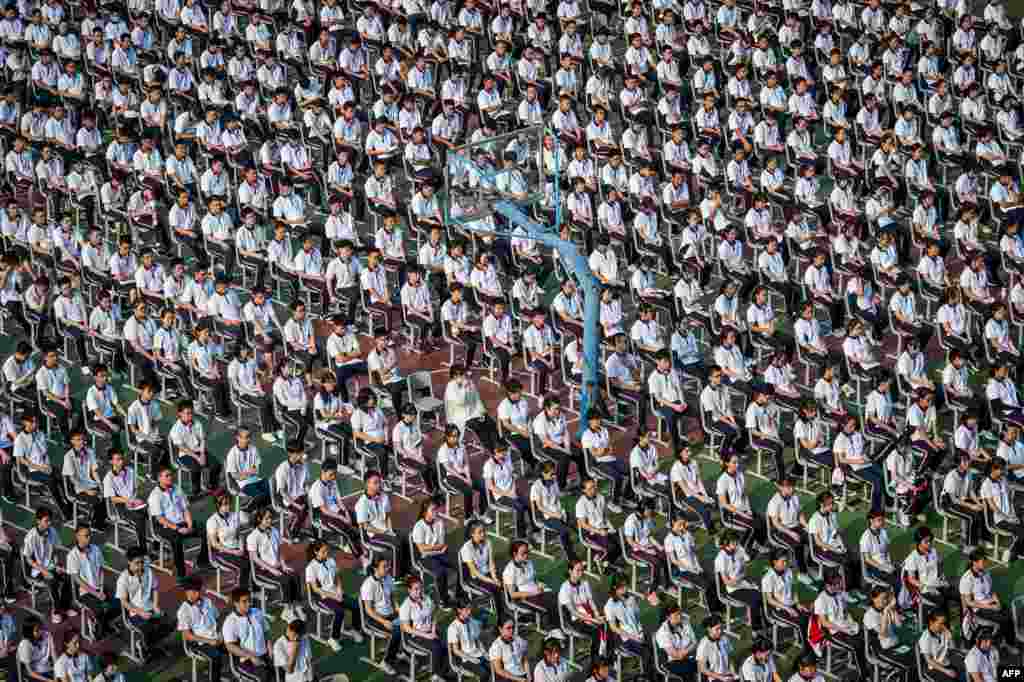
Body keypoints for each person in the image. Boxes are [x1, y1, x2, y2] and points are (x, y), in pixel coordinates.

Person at [147, 467, 210, 581]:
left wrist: (189, 525)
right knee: (176, 540)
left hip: (182, 522)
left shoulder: (177, 489)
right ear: (159, 478)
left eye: (170, 475)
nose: (170, 477)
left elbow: (185, 509)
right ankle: (181, 573)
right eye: (166, 476)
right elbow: (160, 519)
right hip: (166, 526)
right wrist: (177, 528)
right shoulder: (155, 496)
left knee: (206, 530)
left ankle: (203, 560)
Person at [247, 507, 305, 623]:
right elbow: (254, 558)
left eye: (270, 518)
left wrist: (283, 565)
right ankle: (286, 611)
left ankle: (296, 606)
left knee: (295, 574)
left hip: (276, 566)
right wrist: (271, 570)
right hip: (262, 571)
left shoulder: (274, 531)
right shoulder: (253, 536)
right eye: (267, 518)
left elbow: (279, 550)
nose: (270, 520)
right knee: (285, 580)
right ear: (259, 519)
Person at [305, 539, 363, 652]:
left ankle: (355, 630)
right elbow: (315, 589)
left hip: (336, 592)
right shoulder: (311, 568)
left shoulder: (331, 560)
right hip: (323, 597)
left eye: (327, 551)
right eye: (323, 552)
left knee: (356, 605)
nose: (326, 553)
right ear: (316, 552)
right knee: (339, 611)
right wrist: (333, 596)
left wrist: (340, 589)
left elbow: (337, 576)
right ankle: (333, 638)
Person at [116, 546, 173, 660]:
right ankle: (145, 645)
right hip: (134, 613)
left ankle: (147, 644)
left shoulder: (148, 570)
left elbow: (155, 588)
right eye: (137, 563)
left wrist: (156, 605)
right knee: (148, 628)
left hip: (150, 607)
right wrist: (140, 612)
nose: (140, 566)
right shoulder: (123, 579)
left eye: (142, 562)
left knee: (169, 623)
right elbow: (124, 602)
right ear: (129, 562)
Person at [309, 459, 365, 568]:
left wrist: (346, 513)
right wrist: (342, 517)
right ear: (323, 472)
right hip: (323, 516)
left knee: (359, 519)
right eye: (331, 474)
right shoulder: (317, 488)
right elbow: (324, 510)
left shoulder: (333, 481)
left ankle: (364, 543)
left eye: (335, 474)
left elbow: (338, 500)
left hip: (335, 511)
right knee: (347, 531)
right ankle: (362, 559)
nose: (334, 477)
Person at [809, 570, 866, 678]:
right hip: (833, 632)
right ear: (828, 585)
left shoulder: (839, 593)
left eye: (840, 582)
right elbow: (824, 623)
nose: (840, 586)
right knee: (857, 644)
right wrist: (843, 629)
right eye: (837, 584)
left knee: (865, 636)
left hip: (844, 626)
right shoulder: (821, 600)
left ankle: (860, 662)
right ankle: (863, 674)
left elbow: (845, 611)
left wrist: (851, 623)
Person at [502, 541, 564, 640]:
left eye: (527, 552)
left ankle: (561, 623)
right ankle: (552, 629)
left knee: (558, 596)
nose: (527, 555)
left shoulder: (529, 562)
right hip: (523, 598)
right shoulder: (509, 571)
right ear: (515, 554)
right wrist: (533, 593)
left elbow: (533, 578)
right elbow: (513, 594)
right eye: (523, 553)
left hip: (536, 591)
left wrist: (539, 584)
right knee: (547, 605)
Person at [22, 508, 75, 624]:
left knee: (69, 577)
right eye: (46, 521)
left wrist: (57, 565)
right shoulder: (31, 537)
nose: (49, 523)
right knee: (52, 580)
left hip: (50, 565)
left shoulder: (52, 531)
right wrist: (44, 571)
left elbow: (55, 550)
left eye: (50, 520)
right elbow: (28, 559)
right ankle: (56, 611)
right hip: (37, 569)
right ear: (38, 521)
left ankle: (65, 607)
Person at [66, 525, 120, 638]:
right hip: (84, 592)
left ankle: (103, 622)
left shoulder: (95, 549)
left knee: (119, 603)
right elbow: (77, 580)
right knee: (100, 610)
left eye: (89, 535)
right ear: (77, 536)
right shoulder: (72, 556)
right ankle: (97, 628)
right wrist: (96, 593)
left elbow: (100, 569)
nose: (89, 538)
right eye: (86, 535)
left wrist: (100, 587)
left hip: (98, 587)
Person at [437, 424, 491, 524]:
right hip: (451, 476)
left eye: (457, 435)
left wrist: (468, 477)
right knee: (468, 491)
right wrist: (465, 480)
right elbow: (449, 469)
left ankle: (483, 514)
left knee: (484, 485)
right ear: (447, 437)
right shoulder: (443, 450)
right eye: (453, 436)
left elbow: (466, 463)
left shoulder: (461, 446)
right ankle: (468, 517)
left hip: (464, 474)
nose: (456, 438)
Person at [714, 530, 766, 632]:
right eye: (734, 543)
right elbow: (727, 582)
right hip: (732, 589)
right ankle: (756, 629)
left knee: (762, 596)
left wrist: (746, 579)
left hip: (743, 582)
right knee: (755, 598)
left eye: (737, 542)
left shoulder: (739, 549)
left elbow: (747, 564)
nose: (736, 544)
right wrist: (739, 579)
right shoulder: (720, 558)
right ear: (726, 543)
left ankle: (763, 622)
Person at [399, 575, 448, 682]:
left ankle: (443, 670)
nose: (419, 591)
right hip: (414, 636)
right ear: (409, 590)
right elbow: (406, 628)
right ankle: (436, 675)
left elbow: (434, 614)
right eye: (416, 589)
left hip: (430, 630)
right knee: (436, 646)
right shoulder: (405, 606)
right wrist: (428, 635)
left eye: (421, 588)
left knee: (448, 641)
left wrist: (434, 629)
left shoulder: (427, 598)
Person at [558, 559, 607, 666]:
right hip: (575, 620)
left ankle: (605, 653)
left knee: (607, 623)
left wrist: (597, 614)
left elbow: (590, 601)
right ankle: (595, 661)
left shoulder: (585, 583)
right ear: (570, 571)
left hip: (588, 614)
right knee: (596, 632)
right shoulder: (565, 588)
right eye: (578, 570)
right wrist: (593, 619)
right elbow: (573, 612)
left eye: (582, 570)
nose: (581, 573)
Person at [761, 549, 812, 652]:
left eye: (786, 561)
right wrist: (788, 609)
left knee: (809, 616)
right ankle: (807, 650)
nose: (786, 563)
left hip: (791, 604)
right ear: (775, 562)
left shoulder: (789, 571)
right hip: (777, 609)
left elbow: (794, 589)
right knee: (801, 622)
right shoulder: (767, 578)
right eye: (783, 561)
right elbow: (770, 600)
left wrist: (798, 604)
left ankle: (813, 644)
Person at [177, 577, 225, 682]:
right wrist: (209, 641)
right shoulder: (184, 610)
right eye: (194, 592)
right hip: (200, 643)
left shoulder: (208, 601)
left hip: (216, 636)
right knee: (215, 658)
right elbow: (187, 636)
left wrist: (221, 633)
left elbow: (218, 619)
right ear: (187, 592)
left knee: (236, 645)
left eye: (198, 591)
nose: (197, 594)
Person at [529, 462, 578, 561]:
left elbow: (558, 495)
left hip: (557, 511)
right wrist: (554, 514)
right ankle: (570, 556)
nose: (554, 476)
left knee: (575, 522)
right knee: (564, 530)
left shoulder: (553, 481)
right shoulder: (536, 487)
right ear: (543, 473)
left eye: (554, 473)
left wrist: (569, 491)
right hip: (545, 516)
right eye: (551, 474)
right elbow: (540, 507)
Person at [360, 557, 401, 674]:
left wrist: (399, 609)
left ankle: (399, 650)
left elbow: (393, 597)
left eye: (388, 566)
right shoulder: (368, 585)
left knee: (409, 622)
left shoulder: (388, 578)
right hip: (375, 618)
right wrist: (383, 621)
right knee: (397, 631)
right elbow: (368, 610)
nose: (388, 569)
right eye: (385, 567)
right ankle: (386, 662)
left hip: (390, 614)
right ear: (375, 569)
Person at [411, 498, 454, 608]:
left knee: (459, 563)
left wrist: (439, 548)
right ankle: (443, 601)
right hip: (425, 558)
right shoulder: (419, 526)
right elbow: (421, 549)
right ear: (425, 511)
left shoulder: (440, 522)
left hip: (439, 553)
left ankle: (458, 591)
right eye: (433, 509)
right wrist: (437, 547)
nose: (436, 512)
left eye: (437, 509)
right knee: (441, 572)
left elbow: (442, 543)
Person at [223, 587, 272, 682]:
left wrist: (270, 648)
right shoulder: (230, 622)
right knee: (263, 677)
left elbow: (266, 632)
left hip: (264, 656)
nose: (249, 604)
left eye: (249, 600)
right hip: (245, 662)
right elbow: (230, 646)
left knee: (283, 670)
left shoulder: (257, 612)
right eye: (244, 601)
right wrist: (251, 656)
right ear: (236, 603)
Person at [575, 476, 623, 571]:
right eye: (590, 488)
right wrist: (598, 531)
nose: (594, 489)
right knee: (610, 547)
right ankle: (600, 561)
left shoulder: (601, 497)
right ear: (584, 490)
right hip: (591, 533)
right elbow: (583, 525)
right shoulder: (580, 504)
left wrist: (610, 527)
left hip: (603, 528)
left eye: (594, 486)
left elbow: (604, 516)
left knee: (620, 544)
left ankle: (605, 562)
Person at [863, 586, 914, 674]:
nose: (885, 601)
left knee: (915, 656)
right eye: (882, 598)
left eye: (886, 598)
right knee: (907, 666)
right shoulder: (869, 616)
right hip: (884, 650)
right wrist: (886, 611)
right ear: (874, 599)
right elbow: (883, 634)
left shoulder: (886, 609)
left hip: (895, 644)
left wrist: (893, 609)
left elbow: (899, 625)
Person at [206, 493, 250, 590]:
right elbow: (214, 544)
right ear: (218, 505)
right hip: (222, 552)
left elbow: (240, 535)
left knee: (254, 560)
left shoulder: (234, 516)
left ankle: (252, 588)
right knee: (243, 567)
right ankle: (241, 593)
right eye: (225, 504)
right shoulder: (212, 521)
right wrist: (233, 552)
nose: (228, 506)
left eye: (229, 503)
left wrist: (241, 548)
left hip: (237, 548)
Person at [448, 604, 490, 682]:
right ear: (459, 610)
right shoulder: (453, 627)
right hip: (465, 659)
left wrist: (484, 652)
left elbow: (477, 640)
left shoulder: (472, 622)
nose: (470, 611)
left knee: (496, 666)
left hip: (477, 654)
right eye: (466, 610)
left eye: (470, 609)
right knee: (484, 674)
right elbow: (456, 650)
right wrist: (471, 658)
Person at [656, 605, 697, 680]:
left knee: (707, 662)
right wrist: (689, 650)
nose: (680, 617)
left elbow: (695, 642)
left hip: (689, 657)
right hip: (671, 662)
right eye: (676, 615)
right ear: (668, 617)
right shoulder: (662, 632)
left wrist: (685, 651)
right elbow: (676, 656)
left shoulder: (685, 621)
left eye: (680, 613)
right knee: (689, 668)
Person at [696, 615, 737, 682]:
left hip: (727, 674)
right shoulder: (704, 645)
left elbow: (730, 658)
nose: (720, 631)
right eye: (717, 629)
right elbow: (702, 668)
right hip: (714, 678)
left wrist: (733, 673)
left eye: (721, 628)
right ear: (709, 629)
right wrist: (721, 678)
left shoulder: (725, 639)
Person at [490, 618, 531, 682]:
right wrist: (519, 679)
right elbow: (499, 670)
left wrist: (529, 676)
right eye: (508, 628)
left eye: (513, 627)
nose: (512, 630)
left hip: (522, 674)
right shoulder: (497, 646)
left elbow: (524, 660)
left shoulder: (518, 639)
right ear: (500, 629)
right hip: (508, 677)